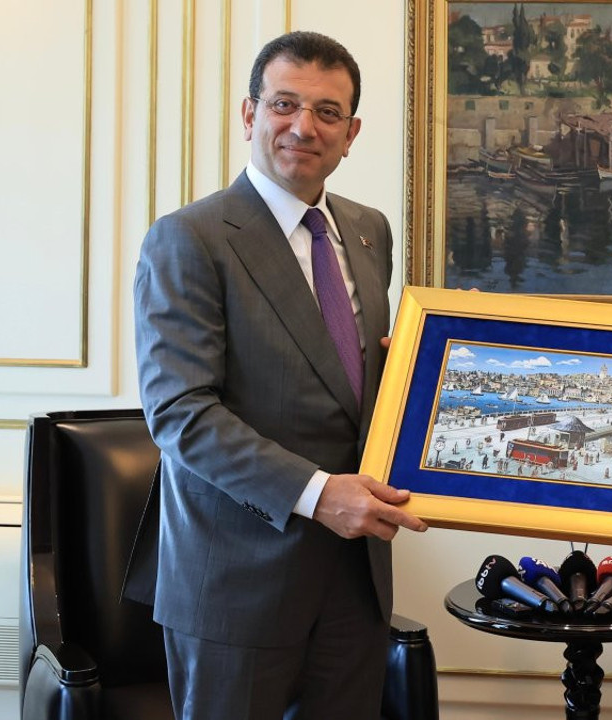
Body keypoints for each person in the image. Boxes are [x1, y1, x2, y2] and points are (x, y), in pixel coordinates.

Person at [127, 31, 427, 720]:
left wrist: (438, 356)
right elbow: (181, 414)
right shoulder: (191, 238)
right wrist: (318, 495)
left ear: (351, 134)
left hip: (356, 578)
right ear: (249, 114)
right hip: (237, 580)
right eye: (284, 103)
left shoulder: (370, 230)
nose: (303, 126)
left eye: (327, 112)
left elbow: (350, 380)